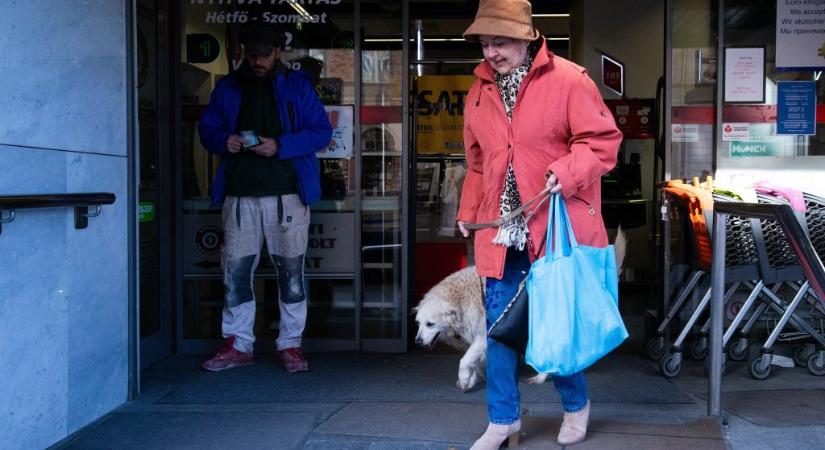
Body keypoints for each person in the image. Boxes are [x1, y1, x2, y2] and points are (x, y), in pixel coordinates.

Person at [456, 0, 622, 447]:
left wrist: (564, 172)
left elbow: (603, 142)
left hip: (553, 227)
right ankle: (502, 419)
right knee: (499, 328)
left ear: (527, 38)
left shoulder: (569, 79)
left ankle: (575, 406)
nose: (491, 52)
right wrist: (468, 215)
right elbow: (476, 164)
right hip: (500, 231)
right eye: (486, 43)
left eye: (501, 41)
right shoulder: (478, 91)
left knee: (557, 325)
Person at [197, 22, 332, 373]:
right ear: (244, 52)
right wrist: (221, 140)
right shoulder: (227, 87)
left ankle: (290, 343)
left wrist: (281, 145)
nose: (258, 61)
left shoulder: (297, 86)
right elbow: (207, 129)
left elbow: (321, 131)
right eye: (253, 54)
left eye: (265, 54)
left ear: (278, 53)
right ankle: (239, 343)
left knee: (291, 271)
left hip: (287, 193)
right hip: (240, 194)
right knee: (236, 272)